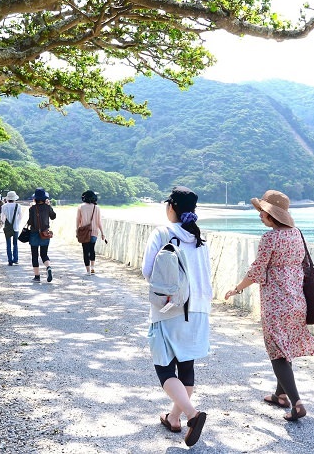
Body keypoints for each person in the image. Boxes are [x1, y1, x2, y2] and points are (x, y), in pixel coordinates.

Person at [223, 190, 314, 422]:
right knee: (284, 346)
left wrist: (236, 289)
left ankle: (296, 403)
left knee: (277, 352)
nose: (260, 216)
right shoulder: (297, 234)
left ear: (271, 216)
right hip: (297, 302)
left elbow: (257, 271)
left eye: (262, 213)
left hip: (276, 303)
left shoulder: (270, 239)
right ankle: (280, 395)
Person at [142, 186, 210, 447]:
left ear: (171, 206)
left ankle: (192, 415)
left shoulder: (163, 233)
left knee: (164, 367)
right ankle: (174, 418)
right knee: (187, 366)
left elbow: (149, 272)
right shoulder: (200, 238)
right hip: (199, 310)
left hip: (169, 308)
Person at [26, 188, 56, 282]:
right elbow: (53, 216)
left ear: (35, 199)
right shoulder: (47, 207)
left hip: (34, 233)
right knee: (44, 254)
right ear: (44, 198)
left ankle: (37, 276)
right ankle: (48, 267)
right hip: (45, 233)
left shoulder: (32, 209)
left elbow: (30, 221)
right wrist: (49, 206)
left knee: (35, 255)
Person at [76, 190, 106, 275]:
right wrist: (102, 233)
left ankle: (88, 271)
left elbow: (78, 220)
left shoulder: (81, 207)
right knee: (92, 249)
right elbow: (99, 222)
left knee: (85, 251)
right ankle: (93, 268)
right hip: (94, 232)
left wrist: (77, 230)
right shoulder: (97, 208)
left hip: (84, 232)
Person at [1, 191, 22, 266]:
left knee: (8, 244)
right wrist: (17, 222)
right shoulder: (18, 206)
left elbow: (2, 218)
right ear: (14, 198)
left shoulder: (4, 206)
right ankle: (15, 259)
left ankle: (10, 260)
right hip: (16, 227)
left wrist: (5, 223)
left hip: (7, 227)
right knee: (15, 244)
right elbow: (20, 217)